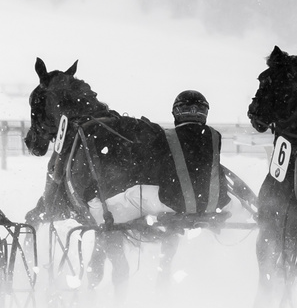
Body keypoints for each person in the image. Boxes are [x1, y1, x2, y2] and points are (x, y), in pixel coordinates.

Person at [86, 89, 231, 226]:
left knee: (132, 194)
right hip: (213, 204)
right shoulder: (215, 135)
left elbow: (147, 164)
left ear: (177, 112)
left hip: (175, 204)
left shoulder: (167, 136)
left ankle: (99, 216)